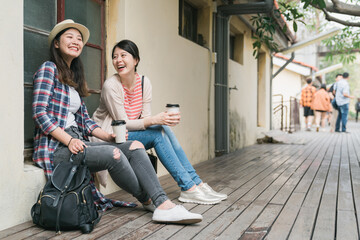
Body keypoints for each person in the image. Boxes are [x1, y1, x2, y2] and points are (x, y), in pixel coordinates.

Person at [32, 19, 202, 224]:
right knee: (115, 154)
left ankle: (160, 202)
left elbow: (85, 122)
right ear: (57, 43)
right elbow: (40, 113)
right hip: (58, 148)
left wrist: (109, 136)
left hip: (79, 142)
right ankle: (153, 201)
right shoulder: (48, 69)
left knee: (135, 145)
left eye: (79, 39)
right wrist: (68, 140)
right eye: (69, 37)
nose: (76, 41)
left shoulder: (73, 78)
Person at [92, 39, 227, 205]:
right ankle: (188, 187)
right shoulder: (111, 86)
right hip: (109, 136)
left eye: (123, 55)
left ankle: (195, 183)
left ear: (136, 60)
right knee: (157, 132)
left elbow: (145, 119)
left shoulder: (144, 82)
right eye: (114, 56)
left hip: (130, 133)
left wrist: (161, 120)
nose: (118, 60)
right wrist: (155, 120)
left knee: (162, 128)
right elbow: (122, 123)